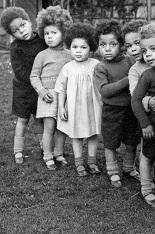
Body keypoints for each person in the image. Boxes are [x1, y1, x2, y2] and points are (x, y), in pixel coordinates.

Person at [124, 22, 155, 195]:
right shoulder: (139, 70)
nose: (148, 54)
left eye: (153, 48)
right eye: (145, 51)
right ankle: (147, 184)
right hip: (147, 117)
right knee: (148, 151)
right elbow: (134, 94)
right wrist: (148, 101)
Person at [94, 19, 140, 188]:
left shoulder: (129, 61)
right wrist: (127, 80)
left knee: (132, 140)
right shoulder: (101, 67)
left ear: (121, 45)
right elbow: (105, 90)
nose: (107, 49)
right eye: (102, 44)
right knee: (110, 142)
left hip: (130, 110)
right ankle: (113, 171)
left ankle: (129, 167)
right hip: (111, 111)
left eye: (112, 44)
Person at [0, 7, 47, 164]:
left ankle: (45, 147)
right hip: (24, 90)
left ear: (29, 21)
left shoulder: (42, 40)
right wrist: (37, 81)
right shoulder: (15, 48)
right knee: (23, 119)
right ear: (12, 34)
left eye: (23, 25)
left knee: (40, 119)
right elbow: (20, 72)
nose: (21, 31)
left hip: (40, 90)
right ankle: (18, 150)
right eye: (16, 30)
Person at [55, 22, 102, 176]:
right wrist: (61, 107)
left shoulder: (96, 65)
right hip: (74, 107)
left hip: (92, 105)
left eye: (83, 47)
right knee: (76, 134)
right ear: (69, 47)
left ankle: (92, 161)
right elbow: (60, 89)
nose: (79, 51)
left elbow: (103, 84)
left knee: (93, 133)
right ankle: (79, 162)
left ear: (91, 48)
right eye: (75, 47)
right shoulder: (68, 68)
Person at [30, 5, 72, 170]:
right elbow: (34, 76)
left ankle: (58, 153)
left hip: (65, 97)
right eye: (46, 33)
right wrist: (41, 91)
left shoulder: (70, 54)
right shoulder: (42, 55)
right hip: (47, 97)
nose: (49, 37)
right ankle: (47, 155)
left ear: (64, 32)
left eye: (54, 33)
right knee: (49, 127)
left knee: (62, 127)